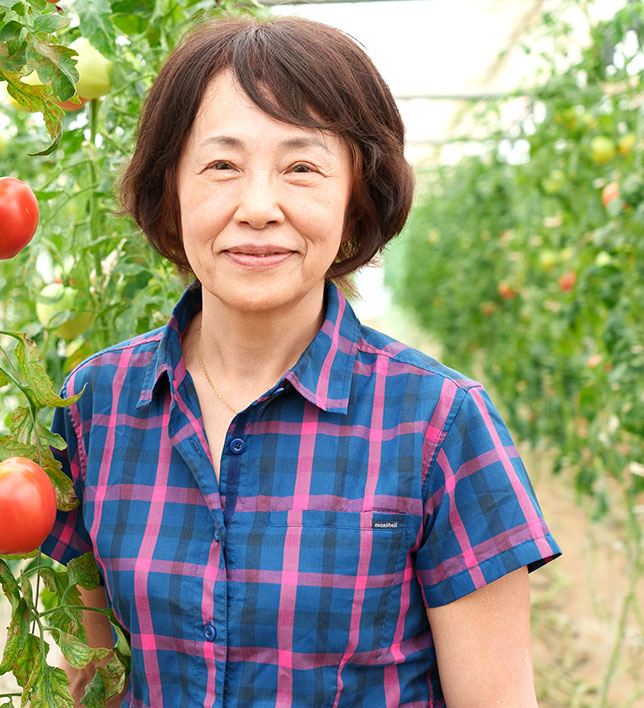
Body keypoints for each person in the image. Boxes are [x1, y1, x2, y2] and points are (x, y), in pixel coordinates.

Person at [40, 14, 560, 708]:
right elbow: (90, 679)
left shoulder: (438, 426)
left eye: (302, 168)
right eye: (221, 164)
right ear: (171, 191)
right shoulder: (94, 407)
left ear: (357, 200)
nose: (258, 207)